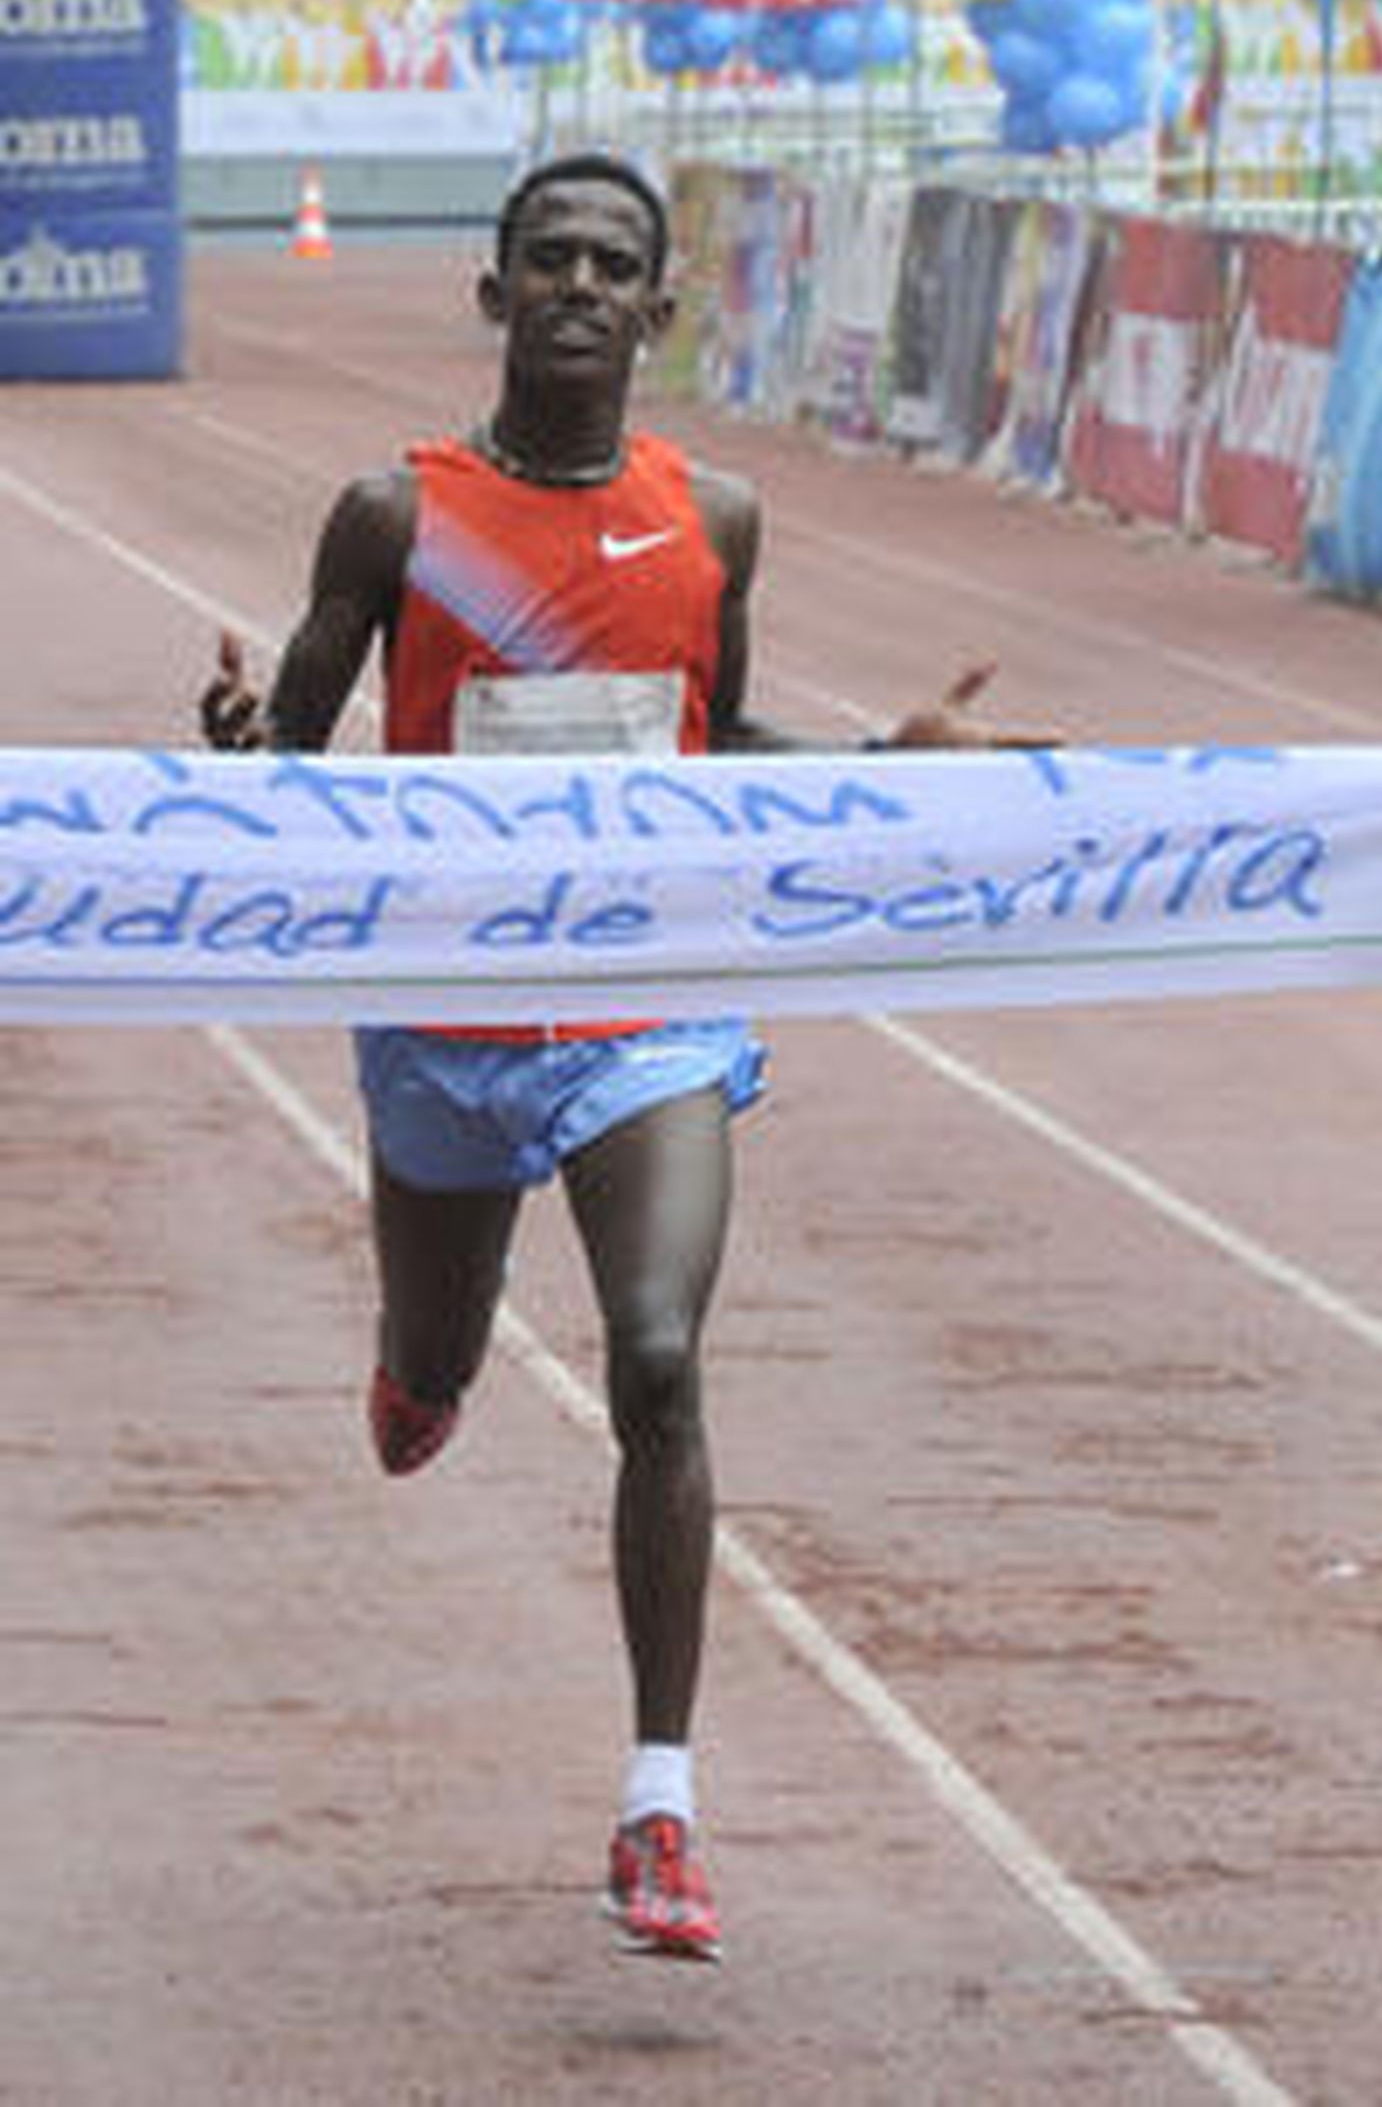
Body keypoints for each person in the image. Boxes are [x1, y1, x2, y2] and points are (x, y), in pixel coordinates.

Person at [200, 149, 1018, 1965]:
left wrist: (885, 757)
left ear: (660, 309)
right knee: (436, 1361)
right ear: (494, 297)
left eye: (613, 264)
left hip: (646, 1007)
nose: (579, 284)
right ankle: (423, 1368)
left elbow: (714, 735)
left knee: (660, 1356)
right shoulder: (390, 518)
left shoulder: (710, 515)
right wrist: (251, 736)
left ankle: (661, 1803)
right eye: (547, 258)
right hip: (446, 1024)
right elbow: (296, 780)